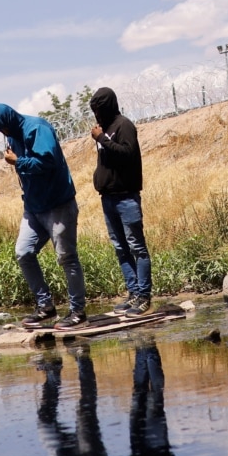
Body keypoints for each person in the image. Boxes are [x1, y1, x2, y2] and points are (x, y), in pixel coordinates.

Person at [0, 103, 88, 330]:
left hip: (58, 205)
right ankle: (46, 306)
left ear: (9, 119)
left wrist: (18, 162)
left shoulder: (37, 128)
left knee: (67, 257)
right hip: (34, 208)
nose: (2, 133)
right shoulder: (13, 136)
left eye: (2, 128)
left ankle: (77, 311)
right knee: (23, 252)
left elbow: (48, 162)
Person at [90, 87, 152, 318]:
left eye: (99, 109)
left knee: (137, 248)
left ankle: (144, 296)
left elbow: (127, 154)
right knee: (120, 248)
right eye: (93, 110)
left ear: (108, 106)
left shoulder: (123, 125)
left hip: (126, 197)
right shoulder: (104, 129)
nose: (96, 114)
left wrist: (102, 139)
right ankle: (134, 293)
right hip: (108, 198)